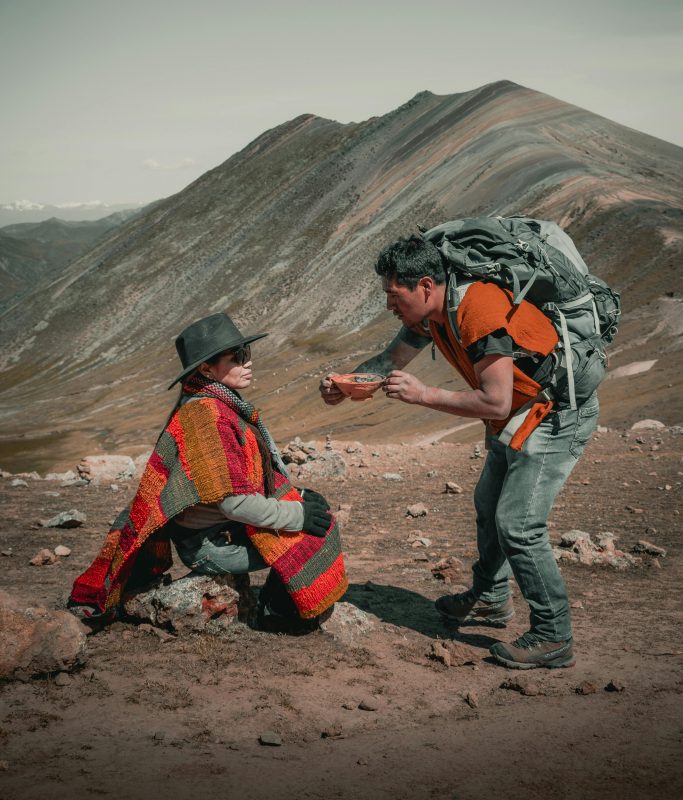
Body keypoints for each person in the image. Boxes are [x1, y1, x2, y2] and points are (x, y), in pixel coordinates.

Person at [320, 236, 599, 669]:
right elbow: (390, 358)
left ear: (426, 286)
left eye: (394, 296)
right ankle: (490, 598)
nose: (389, 305)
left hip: (554, 411)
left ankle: (553, 634)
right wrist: (344, 382)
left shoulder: (477, 310)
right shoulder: (430, 315)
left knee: (518, 524)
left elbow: (495, 402)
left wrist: (423, 395)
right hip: (520, 411)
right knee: (488, 504)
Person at [70, 312, 348, 634]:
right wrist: (297, 515)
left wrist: (298, 504)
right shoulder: (206, 416)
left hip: (223, 529)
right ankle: (279, 613)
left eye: (247, 354)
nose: (248, 363)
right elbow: (235, 504)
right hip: (213, 546)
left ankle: (278, 600)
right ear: (205, 369)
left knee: (311, 503)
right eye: (237, 357)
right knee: (316, 528)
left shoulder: (217, 404)